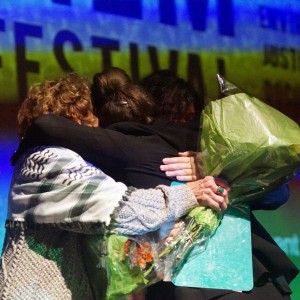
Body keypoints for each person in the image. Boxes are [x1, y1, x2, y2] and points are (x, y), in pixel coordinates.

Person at [12, 68, 299, 299]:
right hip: (262, 283)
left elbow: (47, 126)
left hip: (199, 288)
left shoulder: (123, 148)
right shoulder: (210, 152)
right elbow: (278, 194)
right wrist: (216, 170)